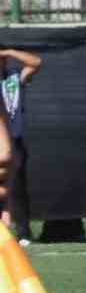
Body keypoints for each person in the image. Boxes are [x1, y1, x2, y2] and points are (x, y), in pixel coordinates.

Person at [0, 46, 41, 244]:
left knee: (15, 188)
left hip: (14, 141)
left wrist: (8, 53)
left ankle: (23, 233)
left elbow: (35, 62)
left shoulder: (14, 79)